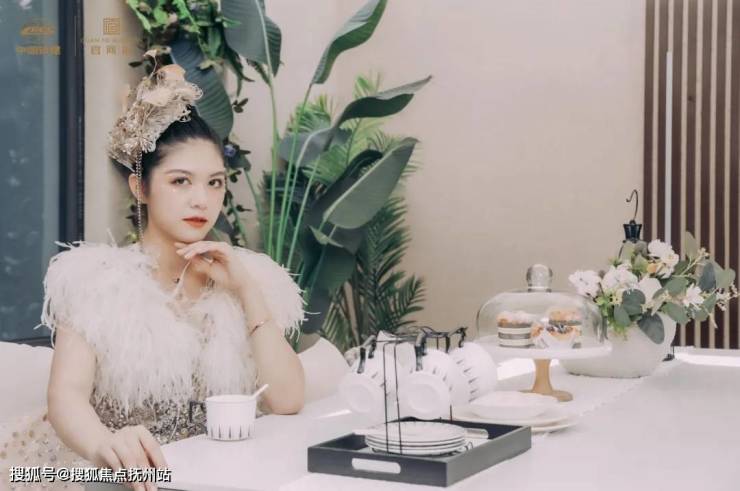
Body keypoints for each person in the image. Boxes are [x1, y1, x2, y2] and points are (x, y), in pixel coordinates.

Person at [0, 55, 305, 491]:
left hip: (212, 479)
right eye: (181, 181)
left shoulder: (246, 277)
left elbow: (288, 400)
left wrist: (246, 290)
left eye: (215, 182)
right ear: (140, 187)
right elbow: (66, 396)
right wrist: (106, 446)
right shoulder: (98, 281)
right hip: (109, 478)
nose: (202, 199)